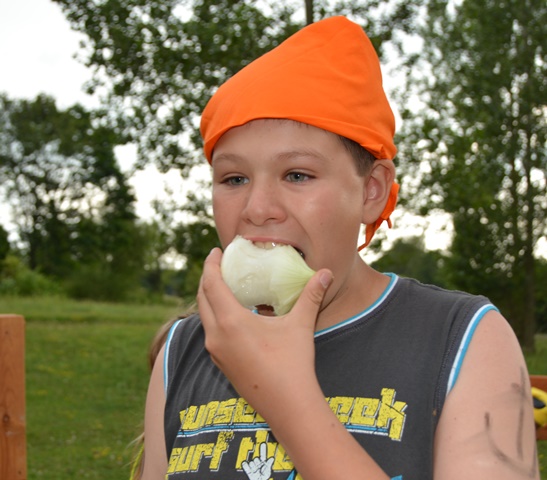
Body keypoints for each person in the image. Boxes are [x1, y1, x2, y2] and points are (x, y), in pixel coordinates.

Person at [141, 16, 539, 480]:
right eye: (234, 179)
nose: (257, 208)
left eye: (297, 175)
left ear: (371, 191)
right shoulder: (182, 350)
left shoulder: (463, 339)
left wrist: (285, 399)